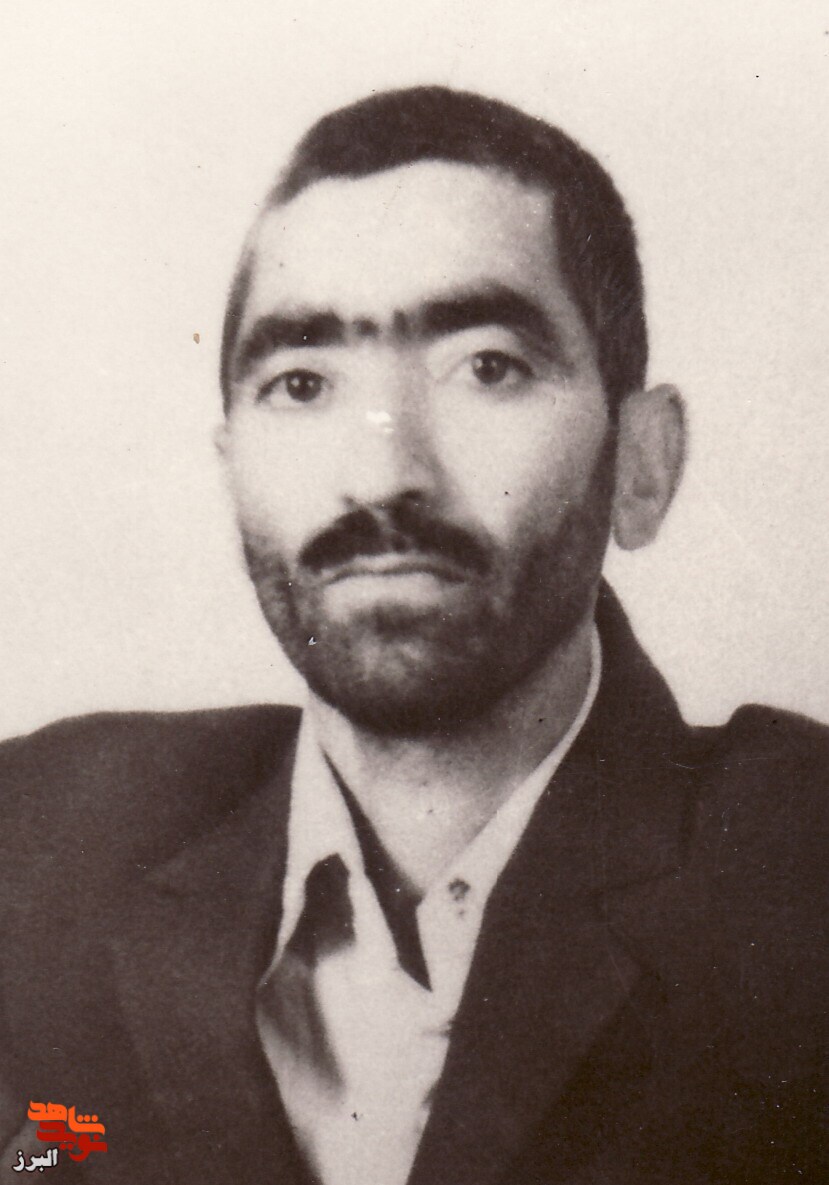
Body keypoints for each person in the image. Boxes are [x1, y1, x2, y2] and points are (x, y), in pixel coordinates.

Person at [0, 86, 825, 1185]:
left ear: (642, 464)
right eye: (301, 383)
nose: (383, 473)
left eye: (487, 367)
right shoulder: (38, 845)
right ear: (231, 469)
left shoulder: (798, 882)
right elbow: (45, 1152)